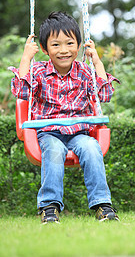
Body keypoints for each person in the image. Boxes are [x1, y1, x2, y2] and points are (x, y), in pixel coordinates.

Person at [9, 11, 120, 224]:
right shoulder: (39, 71)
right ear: (44, 49)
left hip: (79, 132)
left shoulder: (85, 72)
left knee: (91, 147)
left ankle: (103, 206)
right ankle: (49, 208)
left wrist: (96, 62)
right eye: (56, 45)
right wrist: (25, 58)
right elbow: (20, 92)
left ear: (78, 46)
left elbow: (104, 95)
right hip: (49, 133)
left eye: (69, 43)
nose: (63, 50)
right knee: (54, 150)